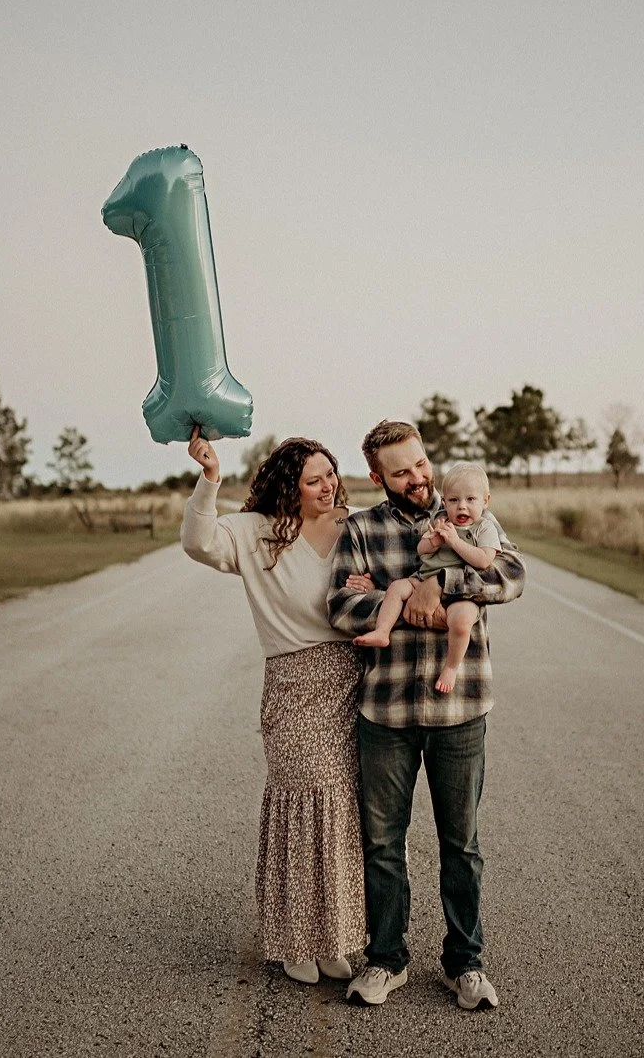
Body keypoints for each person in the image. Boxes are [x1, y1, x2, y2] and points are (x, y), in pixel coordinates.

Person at [327, 421, 525, 1011]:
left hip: (459, 709)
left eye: (419, 464)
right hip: (384, 711)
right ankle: (386, 959)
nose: (417, 478)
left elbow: (511, 575)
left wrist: (439, 586)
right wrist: (411, 598)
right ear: (376, 477)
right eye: (400, 470)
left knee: (459, 842)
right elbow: (341, 606)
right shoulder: (361, 529)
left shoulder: (468, 511)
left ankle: (465, 964)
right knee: (382, 842)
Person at [181, 426, 367, 985]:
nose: (328, 486)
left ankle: (336, 935)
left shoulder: (353, 529)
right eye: (314, 480)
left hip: (351, 677)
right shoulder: (258, 533)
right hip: (291, 681)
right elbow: (198, 541)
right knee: (300, 804)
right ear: (291, 487)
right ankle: (294, 940)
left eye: (331, 475)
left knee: (343, 806)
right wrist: (210, 479)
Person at [354, 462, 502, 695]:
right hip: (421, 580)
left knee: (462, 622)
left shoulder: (484, 528)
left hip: (459, 594)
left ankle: (451, 667)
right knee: (397, 587)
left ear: (486, 501)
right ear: (444, 502)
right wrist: (433, 541)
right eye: (454, 500)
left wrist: (454, 542)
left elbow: (484, 560)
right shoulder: (441, 521)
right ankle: (383, 631)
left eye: (470, 500)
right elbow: (422, 550)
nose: (461, 507)